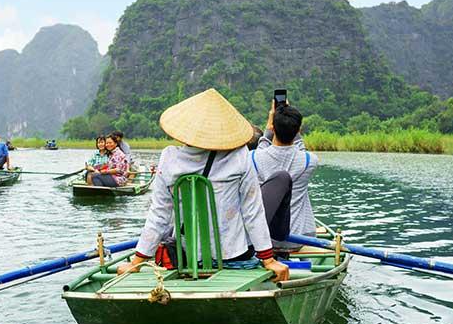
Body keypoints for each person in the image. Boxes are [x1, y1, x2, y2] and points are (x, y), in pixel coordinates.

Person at [117, 88, 289, 282]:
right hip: (234, 256)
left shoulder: (169, 158)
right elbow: (252, 210)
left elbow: (159, 214)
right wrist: (268, 260)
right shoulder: (240, 156)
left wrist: (136, 262)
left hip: (187, 257)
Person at [251, 101, 318, 256]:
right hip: (299, 240)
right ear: (298, 130)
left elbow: (262, 147)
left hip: (266, 240)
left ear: (273, 127)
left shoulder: (253, 158)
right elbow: (300, 149)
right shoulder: (310, 161)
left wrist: (269, 127)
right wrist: (293, 126)